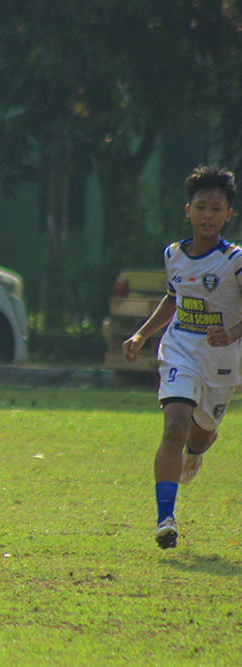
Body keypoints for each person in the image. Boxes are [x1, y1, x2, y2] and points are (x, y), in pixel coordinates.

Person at [122, 165, 242, 550]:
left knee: (202, 434)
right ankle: (165, 519)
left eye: (216, 208)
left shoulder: (234, 260)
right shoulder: (173, 254)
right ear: (187, 210)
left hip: (221, 359)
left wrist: (232, 332)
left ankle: (195, 454)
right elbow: (174, 299)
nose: (207, 214)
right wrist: (143, 333)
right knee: (174, 425)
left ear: (228, 215)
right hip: (179, 349)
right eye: (201, 206)